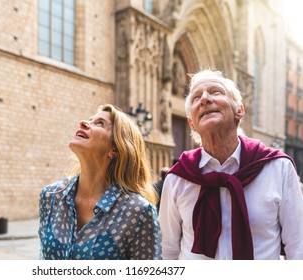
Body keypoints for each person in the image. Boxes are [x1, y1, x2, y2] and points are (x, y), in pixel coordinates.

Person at [159, 69, 303, 260]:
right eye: (196, 98)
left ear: (239, 110)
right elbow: (167, 250)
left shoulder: (278, 168)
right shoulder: (178, 177)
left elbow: (298, 245)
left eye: (215, 92)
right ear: (192, 124)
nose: (204, 99)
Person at [38, 104, 162, 260]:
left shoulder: (138, 211)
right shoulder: (51, 196)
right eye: (90, 120)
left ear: (115, 149)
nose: (84, 123)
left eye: (100, 123)